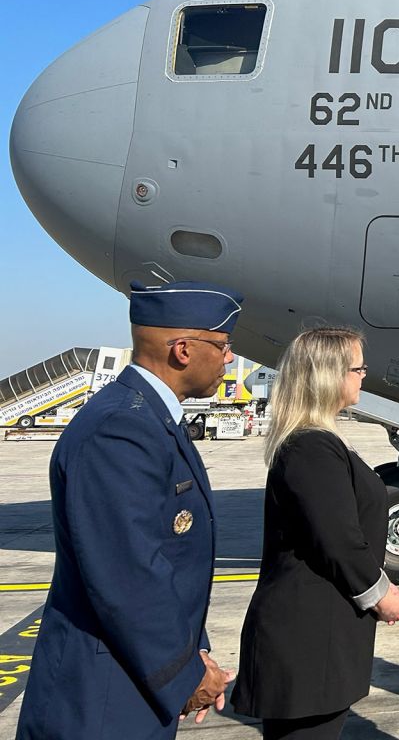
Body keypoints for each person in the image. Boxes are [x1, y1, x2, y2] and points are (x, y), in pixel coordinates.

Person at [17, 280, 242, 740]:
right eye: (221, 346)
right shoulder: (121, 430)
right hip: (100, 700)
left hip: (134, 682)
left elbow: (170, 561)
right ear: (182, 350)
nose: (229, 358)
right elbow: (129, 575)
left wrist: (191, 655)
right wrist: (185, 674)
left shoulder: (150, 419)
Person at [232, 326, 399, 739]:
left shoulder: (318, 441)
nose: (364, 375)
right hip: (307, 642)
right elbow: (338, 539)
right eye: (357, 368)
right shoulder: (310, 448)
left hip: (317, 638)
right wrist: (381, 595)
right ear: (328, 375)